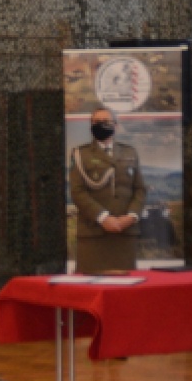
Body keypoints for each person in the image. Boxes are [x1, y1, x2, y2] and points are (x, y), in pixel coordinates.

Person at [69, 106, 145, 272]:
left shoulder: (130, 152)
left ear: (116, 126)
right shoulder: (80, 155)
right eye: (96, 122)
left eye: (106, 122)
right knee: (90, 289)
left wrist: (131, 216)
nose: (101, 125)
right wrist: (103, 218)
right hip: (93, 234)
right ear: (91, 126)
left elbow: (140, 189)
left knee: (125, 291)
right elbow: (77, 191)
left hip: (125, 234)